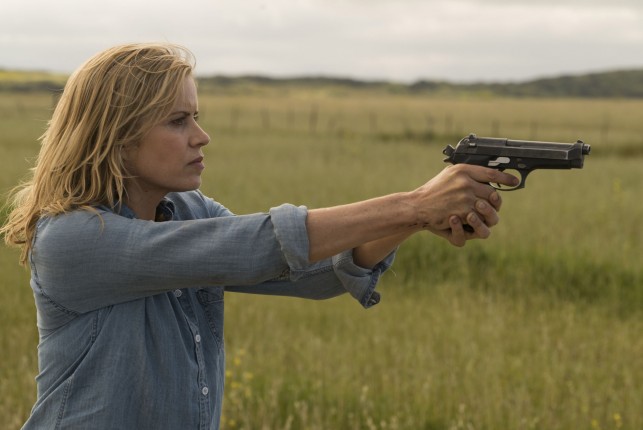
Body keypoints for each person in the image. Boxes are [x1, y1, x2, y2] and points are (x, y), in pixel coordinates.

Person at [1, 43, 518, 429]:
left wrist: (415, 220)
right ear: (116, 135)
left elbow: (309, 273)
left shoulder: (189, 211)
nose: (201, 136)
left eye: (196, 117)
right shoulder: (72, 238)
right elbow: (256, 246)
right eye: (178, 121)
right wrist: (414, 204)